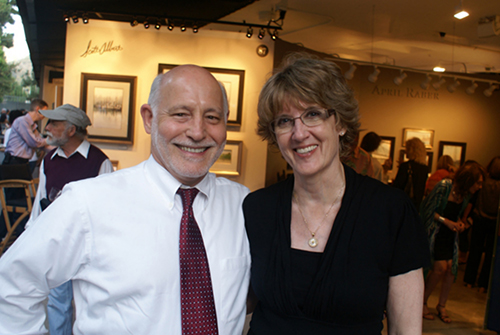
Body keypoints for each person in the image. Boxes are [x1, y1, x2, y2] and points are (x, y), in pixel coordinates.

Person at [0, 65, 250, 335]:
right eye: (181, 114)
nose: (198, 131)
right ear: (149, 118)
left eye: (212, 117)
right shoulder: (88, 203)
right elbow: (12, 285)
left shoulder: (244, 206)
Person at [244, 55, 429, 334]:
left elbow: (405, 330)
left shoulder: (391, 211)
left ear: (340, 124)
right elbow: (234, 303)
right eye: (284, 121)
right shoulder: (257, 208)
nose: (299, 133)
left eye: (313, 114)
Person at [26, 104, 114, 335]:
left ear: (71, 130)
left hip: (88, 245)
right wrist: (32, 233)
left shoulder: (98, 162)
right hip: (57, 242)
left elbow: (107, 209)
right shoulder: (49, 160)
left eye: (54, 123)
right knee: (57, 302)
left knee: (89, 302)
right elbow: (41, 200)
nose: (48, 128)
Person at [420, 162, 484, 323]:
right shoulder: (444, 187)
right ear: (469, 180)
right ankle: (422, 301)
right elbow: (427, 210)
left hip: (450, 234)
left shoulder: (465, 194)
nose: (480, 186)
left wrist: (461, 223)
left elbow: (462, 215)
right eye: (478, 182)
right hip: (436, 232)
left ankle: (442, 305)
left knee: (450, 270)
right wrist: (446, 221)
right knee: (439, 268)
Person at [463, 156, 500, 293]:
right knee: (490, 253)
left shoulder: (482, 183)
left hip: (479, 218)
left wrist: (465, 217)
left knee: (475, 250)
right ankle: (483, 284)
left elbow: (472, 202)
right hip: (494, 222)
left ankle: (469, 281)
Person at [2, 99, 49, 165]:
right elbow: (34, 142)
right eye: (45, 111)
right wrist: (49, 140)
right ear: (38, 109)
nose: (46, 114)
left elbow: (41, 143)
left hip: (21, 161)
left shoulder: (33, 126)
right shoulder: (23, 121)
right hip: (14, 161)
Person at [392, 137, 428, 209]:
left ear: (411, 150)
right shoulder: (425, 168)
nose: (405, 151)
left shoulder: (405, 166)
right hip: (416, 205)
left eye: (407, 148)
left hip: (403, 203)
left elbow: (397, 187)